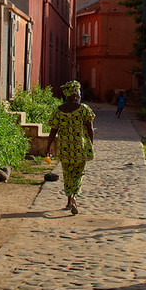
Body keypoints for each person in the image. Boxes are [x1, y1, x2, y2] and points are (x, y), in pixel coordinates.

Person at [45, 80, 95, 215]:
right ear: (74, 94)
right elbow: (90, 129)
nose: (80, 94)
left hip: (64, 148)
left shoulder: (58, 111)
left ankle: (68, 200)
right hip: (80, 148)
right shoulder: (84, 109)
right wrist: (91, 144)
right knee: (78, 174)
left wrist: (48, 147)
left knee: (67, 174)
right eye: (78, 92)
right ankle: (74, 197)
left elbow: (53, 131)